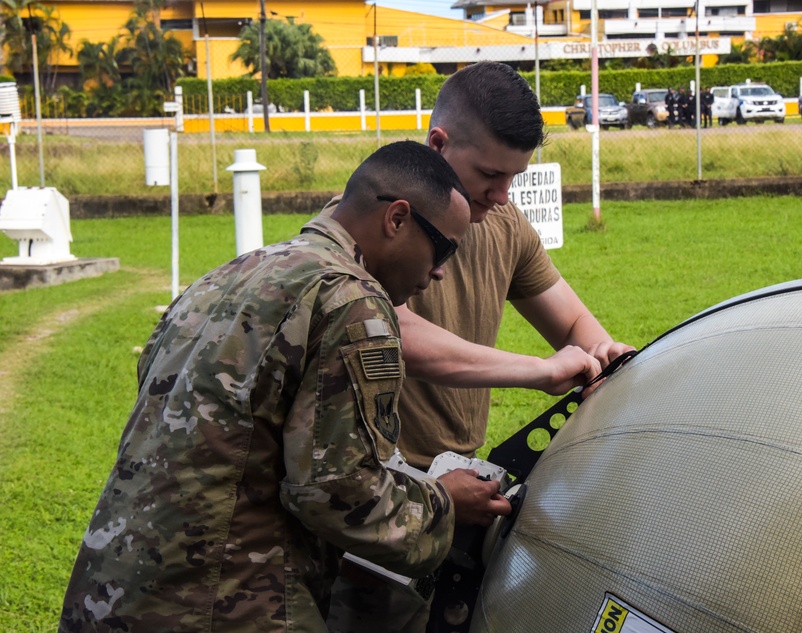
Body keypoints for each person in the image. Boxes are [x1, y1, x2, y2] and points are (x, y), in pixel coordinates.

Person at [59, 140, 510, 631]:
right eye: (442, 248)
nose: (439, 273)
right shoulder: (351, 300)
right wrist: (445, 502)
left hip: (109, 593)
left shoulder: (226, 276)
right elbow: (335, 492)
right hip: (223, 602)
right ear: (397, 219)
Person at [328, 61, 633, 632]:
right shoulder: (370, 223)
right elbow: (399, 336)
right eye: (490, 174)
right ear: (438, 144)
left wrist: (606, 357)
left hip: (461, 489)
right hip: (373, 496)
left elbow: (569, 318)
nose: (502, 193)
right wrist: (540, 371)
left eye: (514, 176)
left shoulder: (504, 221)